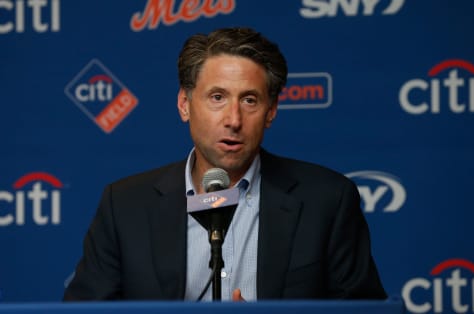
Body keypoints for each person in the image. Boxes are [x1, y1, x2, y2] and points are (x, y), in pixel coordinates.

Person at [63, 27, 387, 301]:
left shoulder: (327, 200)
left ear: (271, 112)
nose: (233, 120)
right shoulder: (124, 206)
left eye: (250, 100)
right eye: (217, 97)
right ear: (184, 105)